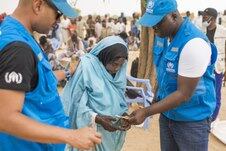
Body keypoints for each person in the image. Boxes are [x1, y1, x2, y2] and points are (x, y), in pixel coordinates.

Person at [0, 0, 101, 151]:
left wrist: (68, 72)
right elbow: (5, 118)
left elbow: (36, 81)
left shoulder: (17, 33)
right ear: (38, 5)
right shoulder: (18, 49)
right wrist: (71, 136)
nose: (58, 21)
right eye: (58, 14)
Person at [128, 0, 217, 151]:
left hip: (191, 121)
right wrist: (155, 98)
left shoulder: (193, 43)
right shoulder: (163, 35)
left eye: (157, 23)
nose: (154, 28)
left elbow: (184, 94)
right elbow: (163, 72)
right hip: (168, 116)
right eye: (151, 23)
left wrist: (147, 112)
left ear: (174, 16)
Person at [61, 36, 130, 151]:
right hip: (90, 131)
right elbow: (76, 104)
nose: (117, 68)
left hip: (111, 133)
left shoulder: (119, 74)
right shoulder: (87, 68)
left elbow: (119, 99)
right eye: (114, 64)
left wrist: (124, 115)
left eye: (121, 64)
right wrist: (98, 119)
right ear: (105, 56)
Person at [201, 8, 226, 121]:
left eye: (206, 17)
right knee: (204, 92)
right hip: (204, 67)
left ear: (213, 18)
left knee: (216, 94)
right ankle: (205, 116)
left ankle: (213, 119)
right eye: (203, 16)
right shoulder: (201, 31)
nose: (204, 18)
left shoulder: (223, 31)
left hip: (217, 67)